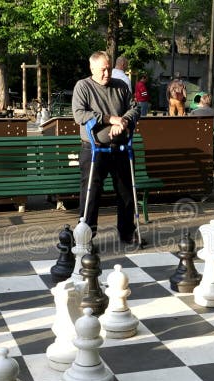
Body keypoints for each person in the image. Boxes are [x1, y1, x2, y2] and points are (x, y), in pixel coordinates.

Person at [72, 51, 141, 244]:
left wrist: (124, 122)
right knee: (91, 193)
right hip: (94, 148)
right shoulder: (83, 87)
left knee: (126, 191)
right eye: (102, 70)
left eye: (109, 69)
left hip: (120, 148)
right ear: (92, 68)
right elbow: (79, 114)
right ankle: (86, 236)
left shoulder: (121, 86)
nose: (107, 74)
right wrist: (110, 119)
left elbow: (135, 108)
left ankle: (127, 233)